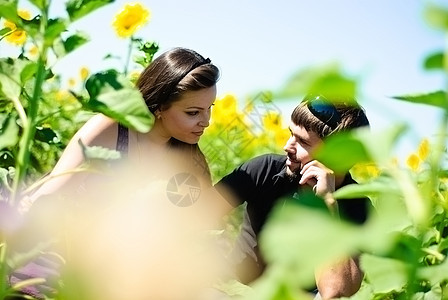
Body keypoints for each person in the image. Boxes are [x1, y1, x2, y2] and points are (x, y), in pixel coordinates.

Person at [12, 47, 233, 300]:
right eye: (193, 112)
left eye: (209, 108)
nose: (206, 121)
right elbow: (47, 197)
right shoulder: (111, 129)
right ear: (159, 106)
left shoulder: (189, 162)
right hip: (52, 261)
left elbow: (199, 234)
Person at [215, 94, 371, 299]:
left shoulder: (358, 206)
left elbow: (335, 292)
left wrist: (326, 205)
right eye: (291, 134)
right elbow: (191, 218)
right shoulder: (265, 170)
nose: (287, 146)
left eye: (303, 142)